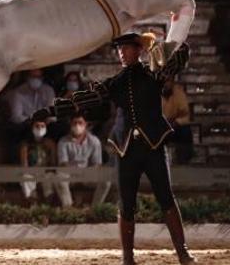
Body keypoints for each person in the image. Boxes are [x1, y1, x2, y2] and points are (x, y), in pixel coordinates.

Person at [32, 32, 195, 264]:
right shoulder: (116, 82)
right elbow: (85, 99)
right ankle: (127, 258)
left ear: (138, 50)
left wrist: (164, 41)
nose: (120, 52)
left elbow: (181, 56)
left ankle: (183, 252)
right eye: (118, 49)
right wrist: (51, 111)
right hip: (125, 148)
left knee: (166, 198)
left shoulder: (154, 73)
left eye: (126, 48)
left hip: (153, 145)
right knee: (126, 203)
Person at [55, 113, 105, 207]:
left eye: (80, 123)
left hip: (88, 175)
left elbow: (97, 164)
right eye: (75, 123)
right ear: (70, 125)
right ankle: (68, 208)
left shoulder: (94, 141)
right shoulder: (63, 142)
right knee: (59, 177)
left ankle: (95, 208)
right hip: (70, 175)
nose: (77, 126)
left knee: (106, 179)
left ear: (85, 124)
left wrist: (86, 173)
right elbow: (63, 164)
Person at [19, 120, 56, 203]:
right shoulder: (26, 145)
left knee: (50, 177)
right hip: (31, 172)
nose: (40, 129)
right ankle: (33, 203)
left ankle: (48, 204)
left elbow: (53, 163)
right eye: (37, 126)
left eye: (42, 126)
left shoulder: (50, 143)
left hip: (46, 172)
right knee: (25, 177)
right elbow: (24, 165)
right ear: (32, 128)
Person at [161, 79, 193, 164]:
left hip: (174, 125)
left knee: (185, 131)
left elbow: (185, 114)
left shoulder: (178, 93)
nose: (165, 84)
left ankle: (185, 159)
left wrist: (176, 122)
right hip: (159, 126)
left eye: (168, 81)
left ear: (172, 83)